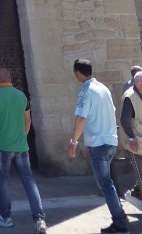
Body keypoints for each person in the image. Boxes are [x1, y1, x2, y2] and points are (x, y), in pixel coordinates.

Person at [68, 58, 129, 234]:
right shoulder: (103, 88)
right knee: (108, 184)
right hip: (110, 140)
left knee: (105, 185)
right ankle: (120, 217)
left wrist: (73, 141)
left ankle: (120, 222)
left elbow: (81, 117)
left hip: (98, 143)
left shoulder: (85, 90)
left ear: (78, 72)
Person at [0, 67, 47, 232]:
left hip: (2, 147)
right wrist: (22, 137)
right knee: (29, 181)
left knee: (3, 181)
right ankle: (39, 218)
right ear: (10, 78)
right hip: (21, 146)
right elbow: (27, 120)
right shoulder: (21, 96)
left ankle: (5, 217)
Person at [119, 70, 142, 199]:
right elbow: (124, 120)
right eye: (139, 82)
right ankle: (137, 192)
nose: (141, 84)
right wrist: (132, 138)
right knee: (140, 175)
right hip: (135, 143)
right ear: (135, 82)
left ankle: (135, 192)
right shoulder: (130, 97)